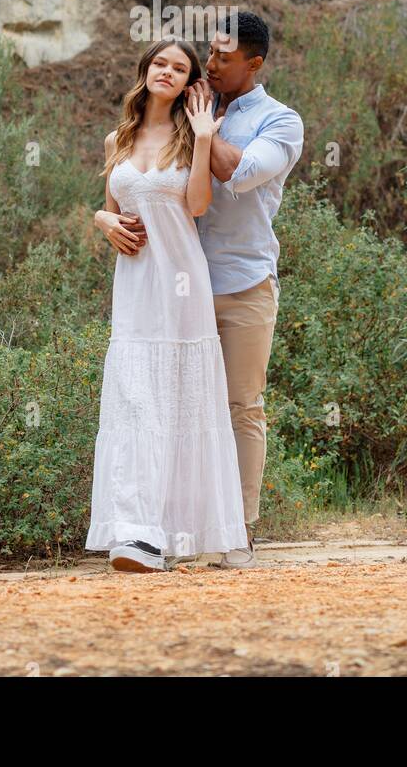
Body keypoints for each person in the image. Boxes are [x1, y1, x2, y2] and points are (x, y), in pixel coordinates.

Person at [86, 37, 249, 572]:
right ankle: (136, 534)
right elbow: (114, 210)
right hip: (135, 288)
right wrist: (102, 220)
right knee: (136, 404)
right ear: (145, 70)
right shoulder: (118, 138)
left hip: (181, 286)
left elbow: (197, 205)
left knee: (178, 403)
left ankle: (178, 533)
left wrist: (204, 139)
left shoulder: (191, 136)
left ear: (187, 84)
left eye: (180, 69)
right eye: (160, 63)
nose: (168, 72)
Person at [185, 11, 303, 569]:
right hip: (179, 282)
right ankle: (180, 529)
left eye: (223, 58)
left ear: (254, 64)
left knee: (241, 407)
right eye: (209, 53)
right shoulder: (188, 103)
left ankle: (240, 531)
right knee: (180, 404)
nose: (209, 64)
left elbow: (240, 174)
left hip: (245, 284)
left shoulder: (282, 122)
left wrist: (204, 130)